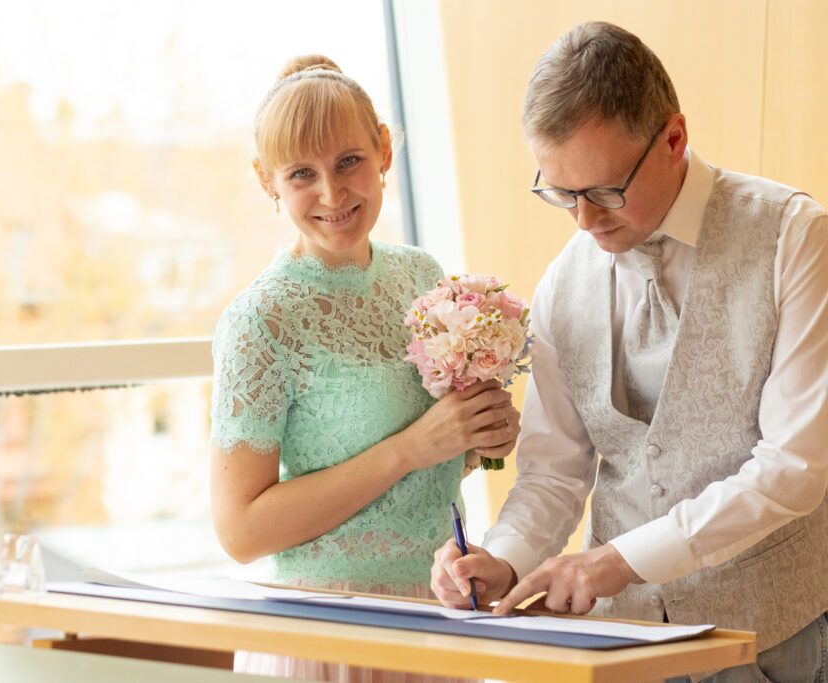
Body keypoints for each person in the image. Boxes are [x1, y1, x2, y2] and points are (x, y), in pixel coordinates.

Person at [430, 21, 828, 682]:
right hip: (622, 644)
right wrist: (503, 558)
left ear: (674, 137)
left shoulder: (794, 235)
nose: (584, 220)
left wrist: (618, 559)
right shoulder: (565, 280)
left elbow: (795, 465)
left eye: (604, 190)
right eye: (561, 193)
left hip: (772, 635)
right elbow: (554, 473)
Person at [209, 55, 521, 682]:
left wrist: (479, 437)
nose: (333, 194)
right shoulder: (261, 320)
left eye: (349, 161)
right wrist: (411, 447)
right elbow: (240, 530)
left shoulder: (422, 276)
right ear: (268, 181)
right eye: (303, 174)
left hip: (439, 617)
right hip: (326, 633)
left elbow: (440, 457)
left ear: (383, 149)